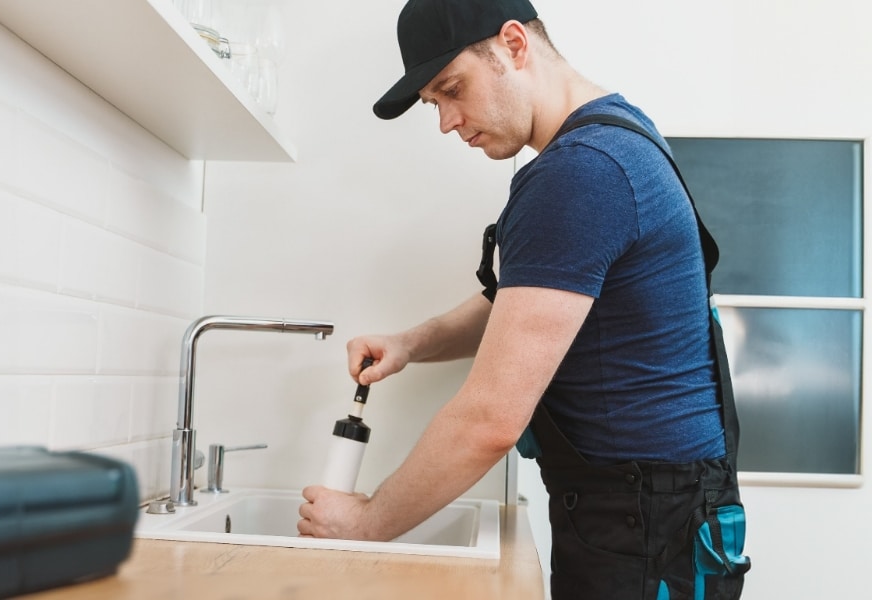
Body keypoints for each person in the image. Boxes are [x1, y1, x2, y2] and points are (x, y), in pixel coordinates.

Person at [297, 1, 750, 598]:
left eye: (452, 90)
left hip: (645, 529)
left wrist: (364, 522)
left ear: (514, 44)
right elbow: (535, 300)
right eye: (436, 103)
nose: (446, 122)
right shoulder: (618, 135)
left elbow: (489, 421)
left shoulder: (580, 172)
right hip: (659, 515)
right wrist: (413, 343)